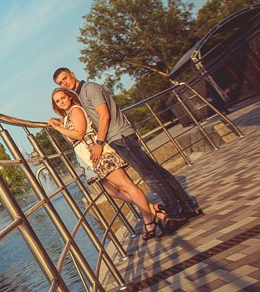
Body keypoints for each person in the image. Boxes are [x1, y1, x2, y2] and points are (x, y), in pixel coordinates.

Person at [52, 68, 202, 231]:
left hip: (120, 137)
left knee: (150, 176)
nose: (64, 83)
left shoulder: (89, 88)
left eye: (64, 78)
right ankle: (188, 207)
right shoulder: (81, 94)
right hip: (117, 138)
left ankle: (175, 214)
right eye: (60, 83)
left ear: (72, 74)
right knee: (157, 172)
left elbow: (104, 116)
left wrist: (99, 143)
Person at [48, 88, 169, 239]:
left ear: (70, 97)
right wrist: (60, 122)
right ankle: (152, 210)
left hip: (98, 153)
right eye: (57, 101)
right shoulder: (69, 115)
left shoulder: (76, 110)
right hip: (90, 159)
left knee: (126, 186)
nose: (61, 102)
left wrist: (58, 128)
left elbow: (79, 134)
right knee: (113, 192)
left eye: (63, 98)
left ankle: (151, 217)